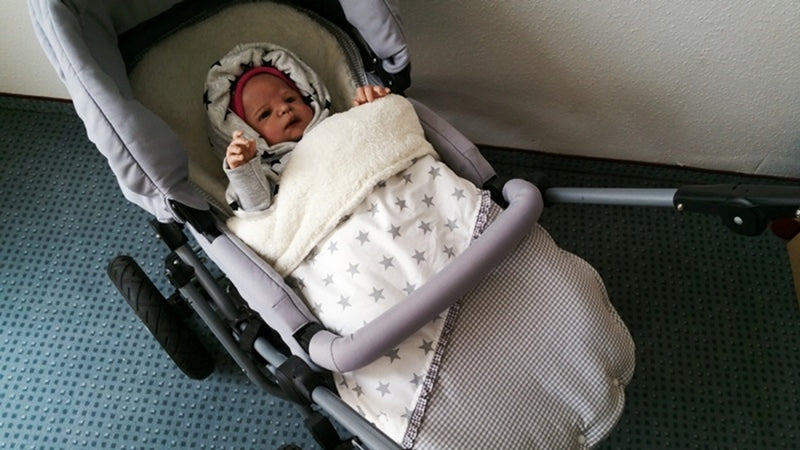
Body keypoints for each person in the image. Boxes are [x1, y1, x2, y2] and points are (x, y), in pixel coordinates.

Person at [204, 42, 391, 213]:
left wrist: (372, 109)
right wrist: (244, 169)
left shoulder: (339, 124)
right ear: (249, 132)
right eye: (265, 114)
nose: (284, 108)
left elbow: (380, 143)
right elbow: (258, 211)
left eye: (290, 98)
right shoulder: (264, 172)